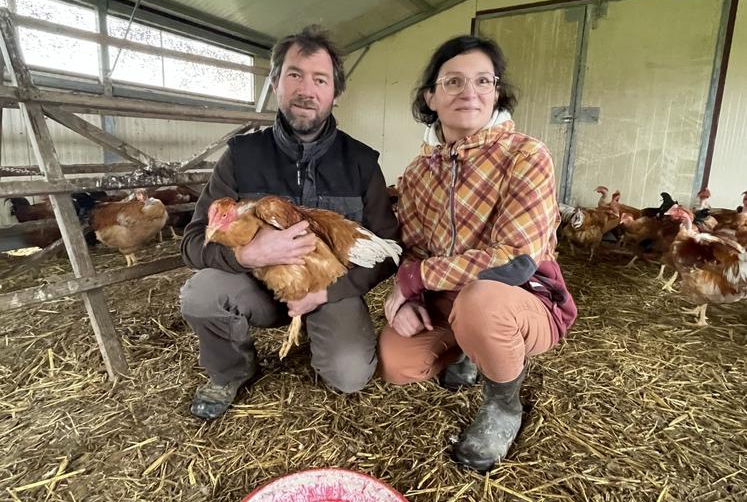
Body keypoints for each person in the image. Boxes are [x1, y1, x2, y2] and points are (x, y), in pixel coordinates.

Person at [378, 35, 577, 472]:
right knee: (398, 363)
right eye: (452, 82)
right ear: (431, 96)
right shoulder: (417, 171)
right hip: (450, 298)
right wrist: (407, 291)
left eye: (482, 81)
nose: (469, 92)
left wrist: (417, 278)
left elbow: (516, 258)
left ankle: (503, 405)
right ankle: (470, 348)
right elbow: (412, 248)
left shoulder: (526, 154)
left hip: (517, 296)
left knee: (482, 302)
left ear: (496, 92)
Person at [180, 25, 399, 420]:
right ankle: (233, 370)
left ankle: (320, 336)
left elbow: (387, 249)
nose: (306, 89)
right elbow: (193, 241)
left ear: (335, 93)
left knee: (349, 375)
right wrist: (247, 255)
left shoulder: (362, 163)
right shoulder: (242, 156)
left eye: (320, 79)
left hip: (329, 288)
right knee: (200, 294)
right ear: (276, 83)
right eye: (294, 75)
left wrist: (327, 295)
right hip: (259, 287)